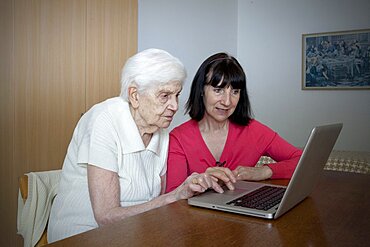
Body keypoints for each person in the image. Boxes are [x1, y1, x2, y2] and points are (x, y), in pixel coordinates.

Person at [48, 49, 220, 243]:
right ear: (135, 95)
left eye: (177, 95)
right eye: (165, 96)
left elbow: (156, 201)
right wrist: (174, 196)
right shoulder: (104, 120)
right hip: (83, 234)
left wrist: (190, 187)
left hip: (136, 232)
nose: (174, 106)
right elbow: (106, 216)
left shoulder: (161, 131)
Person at [166, 52, 303, 193]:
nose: (227, 102)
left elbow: (305, 161)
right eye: (218, 90)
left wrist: (263, 172)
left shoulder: (255, 131)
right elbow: (173, 196)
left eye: (235, 92)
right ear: (201, 90)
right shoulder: (178, 138)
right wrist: (198, 184)